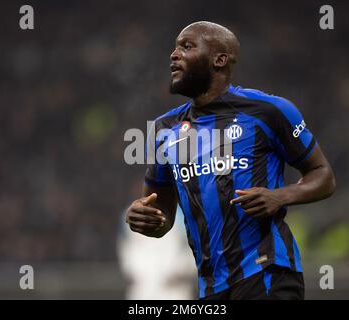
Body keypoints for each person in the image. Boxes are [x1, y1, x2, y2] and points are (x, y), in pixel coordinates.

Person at [125, 21, 336, 300]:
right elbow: (160, 219)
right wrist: (141, 217)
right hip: (211, 288)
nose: (174, 55)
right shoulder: (166, 129)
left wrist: (280, 196)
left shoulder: (268, 112)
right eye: (175, 48)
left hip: (268, 274)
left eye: (186, 46)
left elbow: (324, 176)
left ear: (219, 59)